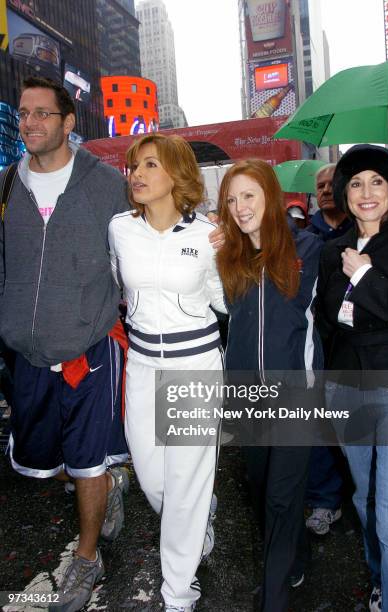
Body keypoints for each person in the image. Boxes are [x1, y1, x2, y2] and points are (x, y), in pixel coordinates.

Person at [0, 76, 131, 612]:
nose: (29, 122)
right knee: (43, 458)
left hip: (89, 348)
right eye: (23, 114)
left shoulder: (106, 185)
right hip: (26, 353)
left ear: (68, 121)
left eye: (41, 113)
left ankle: (86, 557)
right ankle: (107, 494)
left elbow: (143, 242)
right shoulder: (7, 184)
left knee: (86, 459)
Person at [108, 133, 226, 612]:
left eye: (149, 165)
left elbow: (225, 297)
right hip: (142, 364)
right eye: (134, 165)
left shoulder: (207, 236)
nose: (136, 174)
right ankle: (197, 517)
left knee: (186, 480)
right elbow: (117, 284)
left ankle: (178, 591)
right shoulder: (120, 228)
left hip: (195, 363)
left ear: (177, 174)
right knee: (156, 480)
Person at [216, 159, 323, 612]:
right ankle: (296, 554)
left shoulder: (308, 248)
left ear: (271, 197)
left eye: (249, 195)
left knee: (281, 495)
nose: (240, 207)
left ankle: (273, 597)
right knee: (262, 491)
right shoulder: (227, 257)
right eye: (232, 198)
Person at [316, 144, 388, 612]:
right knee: (366, 499)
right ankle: (380, 580)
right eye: (355, 183)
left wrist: (368, 278)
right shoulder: (334, 251)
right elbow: (326, 323)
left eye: (377, 181)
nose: (366, 192)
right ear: (344, 194)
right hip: (346, 390)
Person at [305, 162, 352, 537]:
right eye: (318, 185)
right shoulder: (302, 234)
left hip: (357, 348)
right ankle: (324, 499)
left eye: (330, 183)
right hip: (318, 344)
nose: (324, 190)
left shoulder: (367, 231)